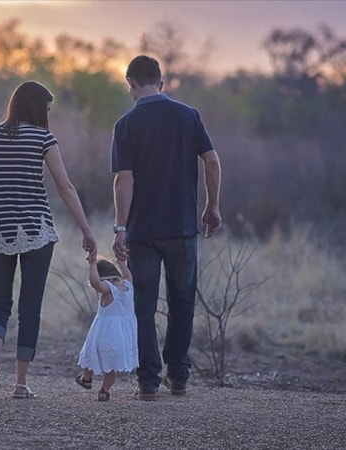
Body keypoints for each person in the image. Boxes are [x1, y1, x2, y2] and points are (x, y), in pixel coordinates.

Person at [0, 80, 97, 399]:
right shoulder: (43, 138)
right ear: (38, 108)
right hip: (36, 230)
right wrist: (86, 230)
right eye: (47, 109)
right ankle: (20, 383)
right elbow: (65, 187)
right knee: (30, 307)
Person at [110, 55, 222, 401]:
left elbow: (124, 181)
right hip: (182, 227)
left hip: (142, 232)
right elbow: (212, 160)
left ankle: (148, 382)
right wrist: (212, 206)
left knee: (143, 307)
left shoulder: (125, 124)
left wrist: (120, 227)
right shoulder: (188, 116)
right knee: (182, 302)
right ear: (161, 83)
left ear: (130, 84)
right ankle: (178, 376)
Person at [75, 255, 138, 402]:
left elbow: (95, 283)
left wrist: (92, 264)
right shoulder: (128, 286)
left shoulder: (108, 290)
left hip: (104, 333)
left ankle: (87, 379)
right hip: (122, 336)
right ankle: (104, 391)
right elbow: (128, 275)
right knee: (112, 366)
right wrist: (122, 263)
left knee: (91, 355)